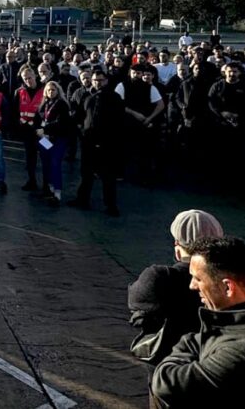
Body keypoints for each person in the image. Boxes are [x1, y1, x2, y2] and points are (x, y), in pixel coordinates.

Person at [151, 236, 245, 408]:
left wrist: (187, 344)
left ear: (228, 287)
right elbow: (199, 340)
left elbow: (166, 381)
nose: (192, 286)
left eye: (198, 279)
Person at [128, 210, 224, 371]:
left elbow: (135, 301)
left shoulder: (162, 277)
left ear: (178, 247)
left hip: (169, 363)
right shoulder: (231, 282)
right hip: (214, 363)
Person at [69, 69, 125, 216]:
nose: (97, 83)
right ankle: (83, 199)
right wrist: (81, 129)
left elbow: (119, 120)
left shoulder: (114, 98)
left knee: (108, 177)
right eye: (95, 80)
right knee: (86, 173)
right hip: (88, 141)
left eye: (100, 80)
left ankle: (111, 206)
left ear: (106, 81)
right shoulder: (88, 97)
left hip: (107, 143)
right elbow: (80, 115)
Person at [34, 79, 73, 207]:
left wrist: (45, 129)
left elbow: (61, 123)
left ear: (58, 90)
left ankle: (57, 193)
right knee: (46, 162)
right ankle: (49, 188)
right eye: (49, 90)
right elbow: (39, 118)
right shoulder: (44, 103)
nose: (51, 92)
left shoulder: (62, 104)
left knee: (55, 162)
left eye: (53, 90)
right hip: (45, 138)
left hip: (59, 138)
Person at [14, 67, 44, 192]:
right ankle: (31, 181)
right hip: (27, 132)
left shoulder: (44, 90)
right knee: (30, 157)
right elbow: (15, 111)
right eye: (25, 79)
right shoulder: (19, 92)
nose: (28, 81)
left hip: (42, 132)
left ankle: (48, 184)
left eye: (30, 78)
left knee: (46, 154)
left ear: (35, 76)